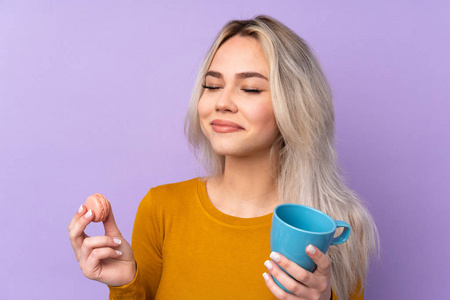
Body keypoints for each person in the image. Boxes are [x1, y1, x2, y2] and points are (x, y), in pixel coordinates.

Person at [68, 15, 378, 300]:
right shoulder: (161, 210)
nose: (222, 102)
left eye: (251, 89)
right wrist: (125, 284)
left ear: (296, 106)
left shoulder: (336, 229)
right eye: (212, 85)